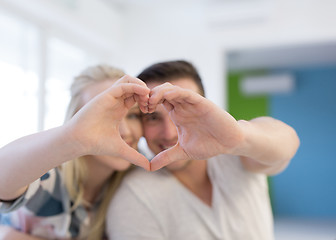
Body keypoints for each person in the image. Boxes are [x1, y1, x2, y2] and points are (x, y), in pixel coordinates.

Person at [106, 60, 300, 240]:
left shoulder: (237, 153)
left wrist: (239, 138)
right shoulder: (135, 197)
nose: (170, 133)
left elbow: (288, 142)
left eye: (181, 110)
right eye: (153, 118)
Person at [0, 65, 150, 240]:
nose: (126, 131)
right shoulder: (49, 178)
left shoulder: (138, 180)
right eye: (106, 116)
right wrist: (72, 136)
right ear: (75, 120)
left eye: (133, 116)